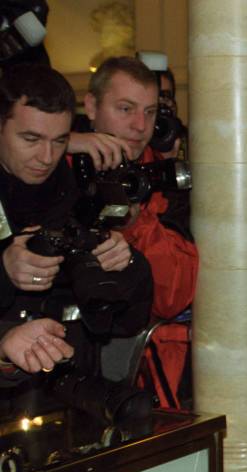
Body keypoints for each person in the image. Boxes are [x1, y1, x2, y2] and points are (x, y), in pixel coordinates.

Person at [0, 63, 153, 413]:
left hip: (68, 398)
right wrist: (4, 272)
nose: (46, 157)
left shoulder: (74, 190)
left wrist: (125, 266)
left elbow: (125, 322)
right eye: (31, 139)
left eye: (60, 141)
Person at [71, 56, 198, 408]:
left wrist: (135, 222)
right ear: (92, 106)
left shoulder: (163, 179)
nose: (139, 125)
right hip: (53, 361)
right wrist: (64, 144)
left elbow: (174, 296)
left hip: (142, 375)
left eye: (150, 111)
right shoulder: (55, 162)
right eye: (125, 109)